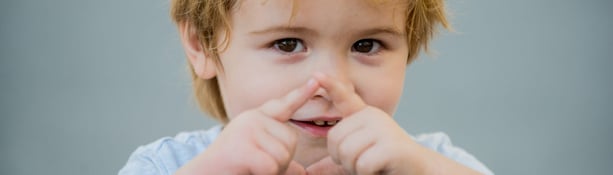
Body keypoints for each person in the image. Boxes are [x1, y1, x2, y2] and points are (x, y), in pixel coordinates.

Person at [119, 0, 494, 174]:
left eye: (366, 45)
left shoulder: (428, 164)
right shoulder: (169, 166)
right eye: (287, 44)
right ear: (202, 44)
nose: (330, 84)